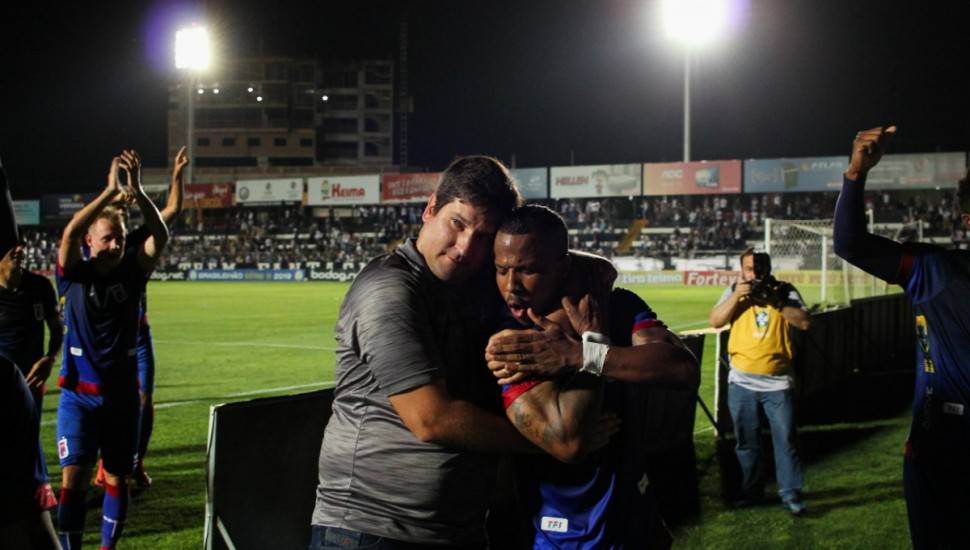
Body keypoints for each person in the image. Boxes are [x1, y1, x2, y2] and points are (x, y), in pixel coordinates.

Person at [310, 156, 534, 549]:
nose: (465, 248)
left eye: (483, 237)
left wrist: (591, 269)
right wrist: (549, 441)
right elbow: (432, 419)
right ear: (430, 209)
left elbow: (545, 257)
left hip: (457, 530)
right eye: (457, 223)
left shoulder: (472, 285)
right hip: (370, 532)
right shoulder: (389, 290)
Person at [483, 205, 699, 548]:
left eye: (527, 270)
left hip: (637, 521)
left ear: (562, 266)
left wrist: (585, 354)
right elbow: (569, 442)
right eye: (501, 270)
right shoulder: (512, 342)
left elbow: (682, 369)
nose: (512, 285)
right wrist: (597, 345)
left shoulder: (615, 307)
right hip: (562, 536)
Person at [834, 125, 970, 548]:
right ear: (968, 220)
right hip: (942, 455)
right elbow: (852, 244)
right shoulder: (936, 270)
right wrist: (856, 174)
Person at [54, 151, 169, 550]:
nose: (116, 244)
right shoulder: (73, 274)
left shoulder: (133, 273)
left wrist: (137, 190)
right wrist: (108, 192)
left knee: (118, 478)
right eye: (107, 238)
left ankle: (107, 548)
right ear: (90, 241)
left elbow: (161, 236)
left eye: (120, 237)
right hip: (78, 398)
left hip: (122, 399)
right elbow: (69, 234)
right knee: (74, 479)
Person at [94, 146, 188, 489]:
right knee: (103, 401)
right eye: (117, 204)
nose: (124, 204)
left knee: (144, 400)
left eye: (125, 204)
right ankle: (104, 463)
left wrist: (176, 176)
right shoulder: (97, 247)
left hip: (138, 332)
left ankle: (136, 462)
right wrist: (115, 185)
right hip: (105, 335)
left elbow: (172, 211)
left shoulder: (134, 241)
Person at [708, 248, 812, 515]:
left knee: (786, 440)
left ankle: (790, 493)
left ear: (768, 268)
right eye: (749, 268)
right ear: (742, 270)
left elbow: (804, 323)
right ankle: (752, 491)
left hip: (778, 382)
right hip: (741, 381)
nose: (754, 273)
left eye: (758, 267)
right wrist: (736, 296)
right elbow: (716, 321)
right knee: (746, 442)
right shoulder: (735, 290)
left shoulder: (785, 290)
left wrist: (775, 301)